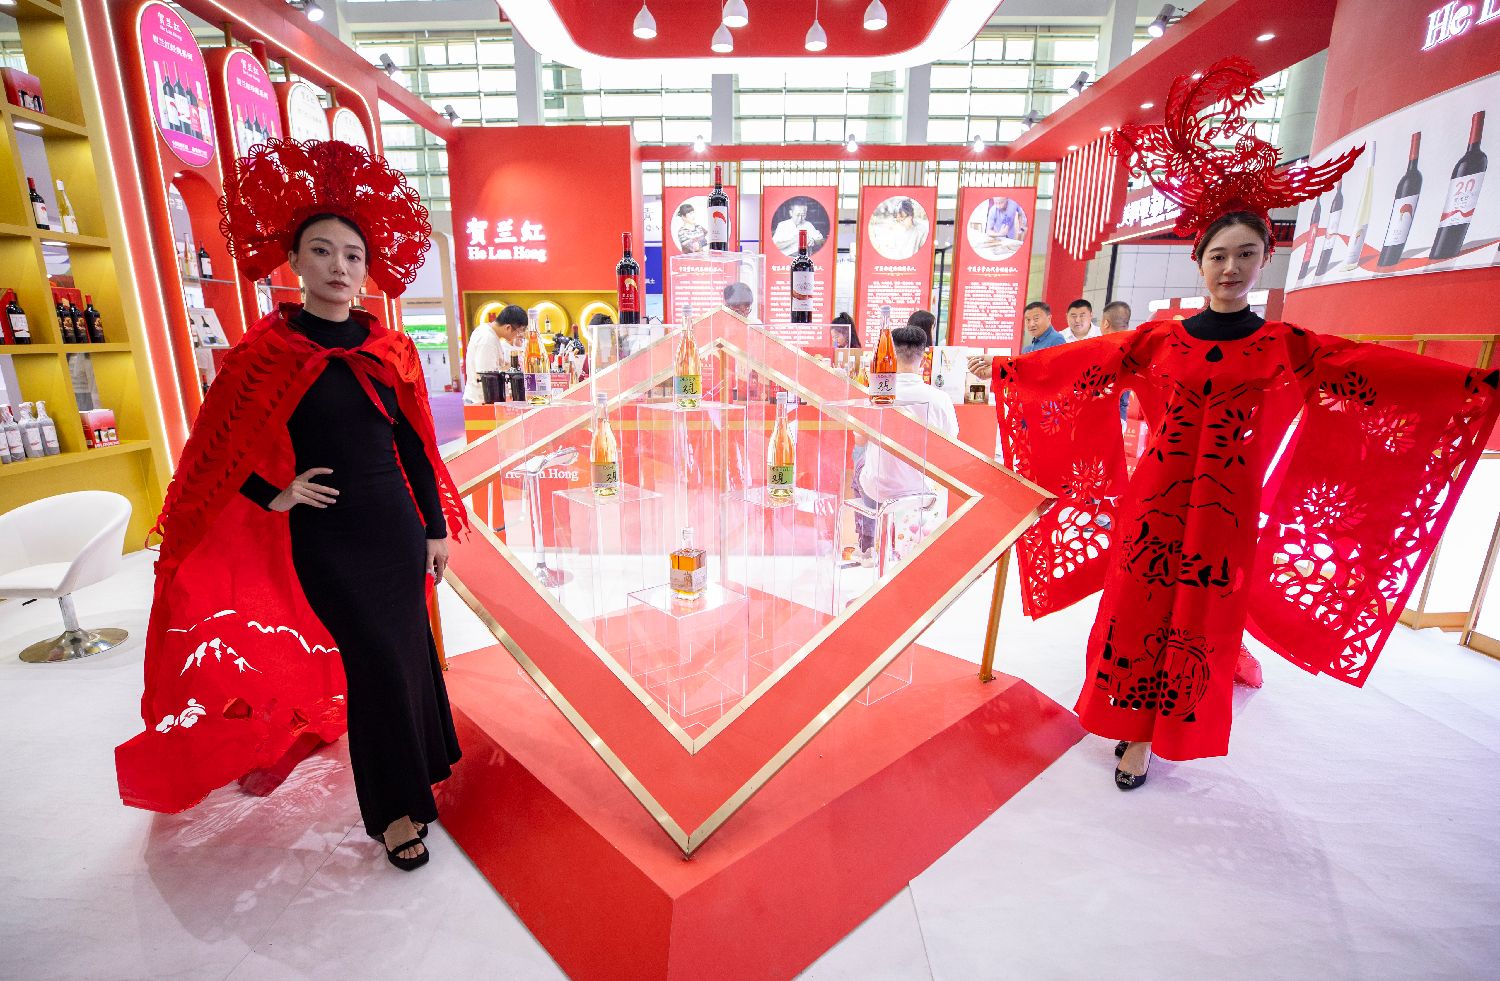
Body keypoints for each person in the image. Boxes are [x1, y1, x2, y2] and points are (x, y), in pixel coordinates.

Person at [969, 58, 1498, 793]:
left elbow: (1366, 371)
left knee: (1202, 612)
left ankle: (1172, 724)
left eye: (1245, 254)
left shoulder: (1285, 346)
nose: (1230, 267)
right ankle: (1131, 730)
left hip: (1226, 505)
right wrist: (1013, 370)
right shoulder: (1159, 340)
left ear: (1263, 260)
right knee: (1138, 604)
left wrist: (1468, 386)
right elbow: (1083, 363)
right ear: (1200, 261)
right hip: (1155, 499)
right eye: (1218, 255)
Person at [115, 139, 469, 872]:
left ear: (366, 269)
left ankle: (422, 770)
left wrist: (434, 529)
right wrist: (271, 493)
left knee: (409, 653)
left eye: (353, 255)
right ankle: (393, 813)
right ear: (295, 263)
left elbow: (415, 447)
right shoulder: (265, 353)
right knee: (375, 664)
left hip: (396, 531)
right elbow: (213, 450)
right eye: (323, 252)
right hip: (328, 539)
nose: (340, 267)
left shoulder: (389, 347)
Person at [853, 324, 959, 567]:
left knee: (859, 458)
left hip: (879, 488)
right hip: (923, 489)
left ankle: (867, 545)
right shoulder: (940, 399)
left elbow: (860, 439)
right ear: (924, 355)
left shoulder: (875, 395)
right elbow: (950, 446)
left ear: (889, 354)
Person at [462, 304, 526, 403]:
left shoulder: (488, 332)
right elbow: (488, 376)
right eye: (518, 332)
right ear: (508, 327)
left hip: (481, 398)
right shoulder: (487, 339)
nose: (518, 336)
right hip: (481, 400)